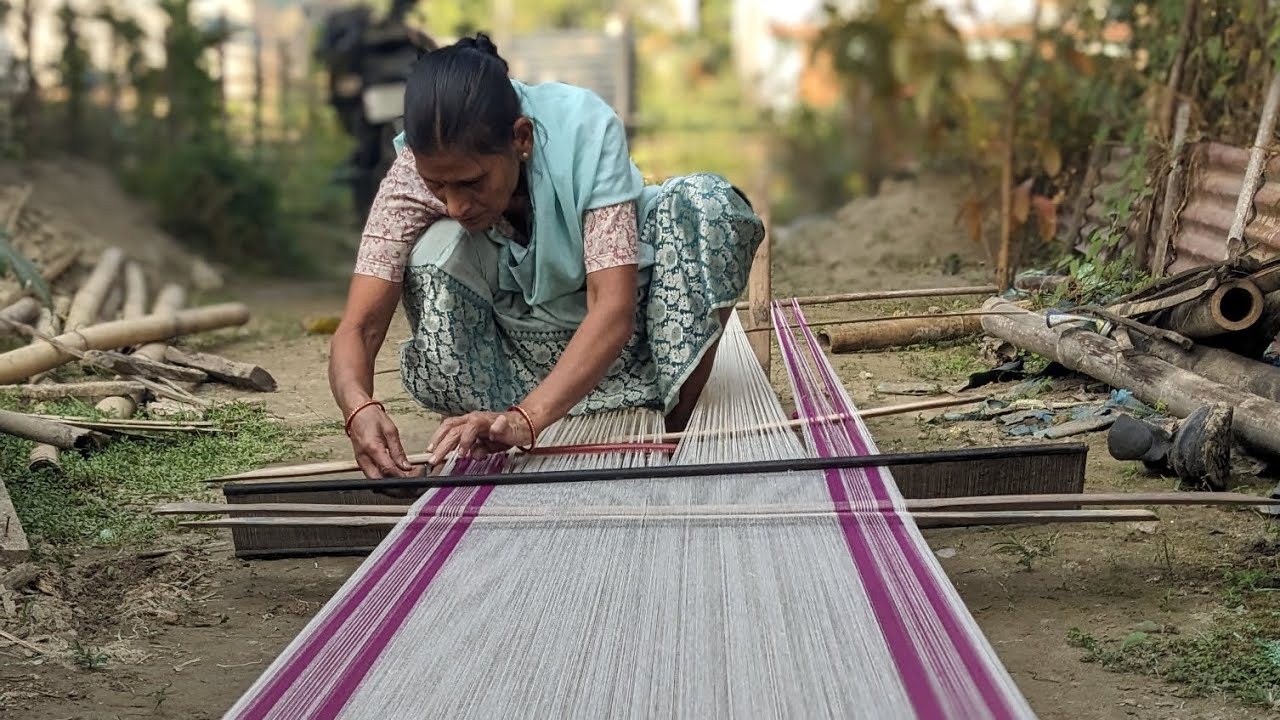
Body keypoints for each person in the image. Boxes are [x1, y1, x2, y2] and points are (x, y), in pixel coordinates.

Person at [328, 33, 765, 479]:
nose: (456, 205)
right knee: (429, 256)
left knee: (708, 203)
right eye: (439, 187)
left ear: (522, 138)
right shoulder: (411, 176)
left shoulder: (583, 128)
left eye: (472, 183)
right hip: (515, 367)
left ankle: (671, 433)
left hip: (638, 347)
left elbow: (611, 307)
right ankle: (492, 425)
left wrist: (529, 418)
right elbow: (360, 325)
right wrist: (358, 406)